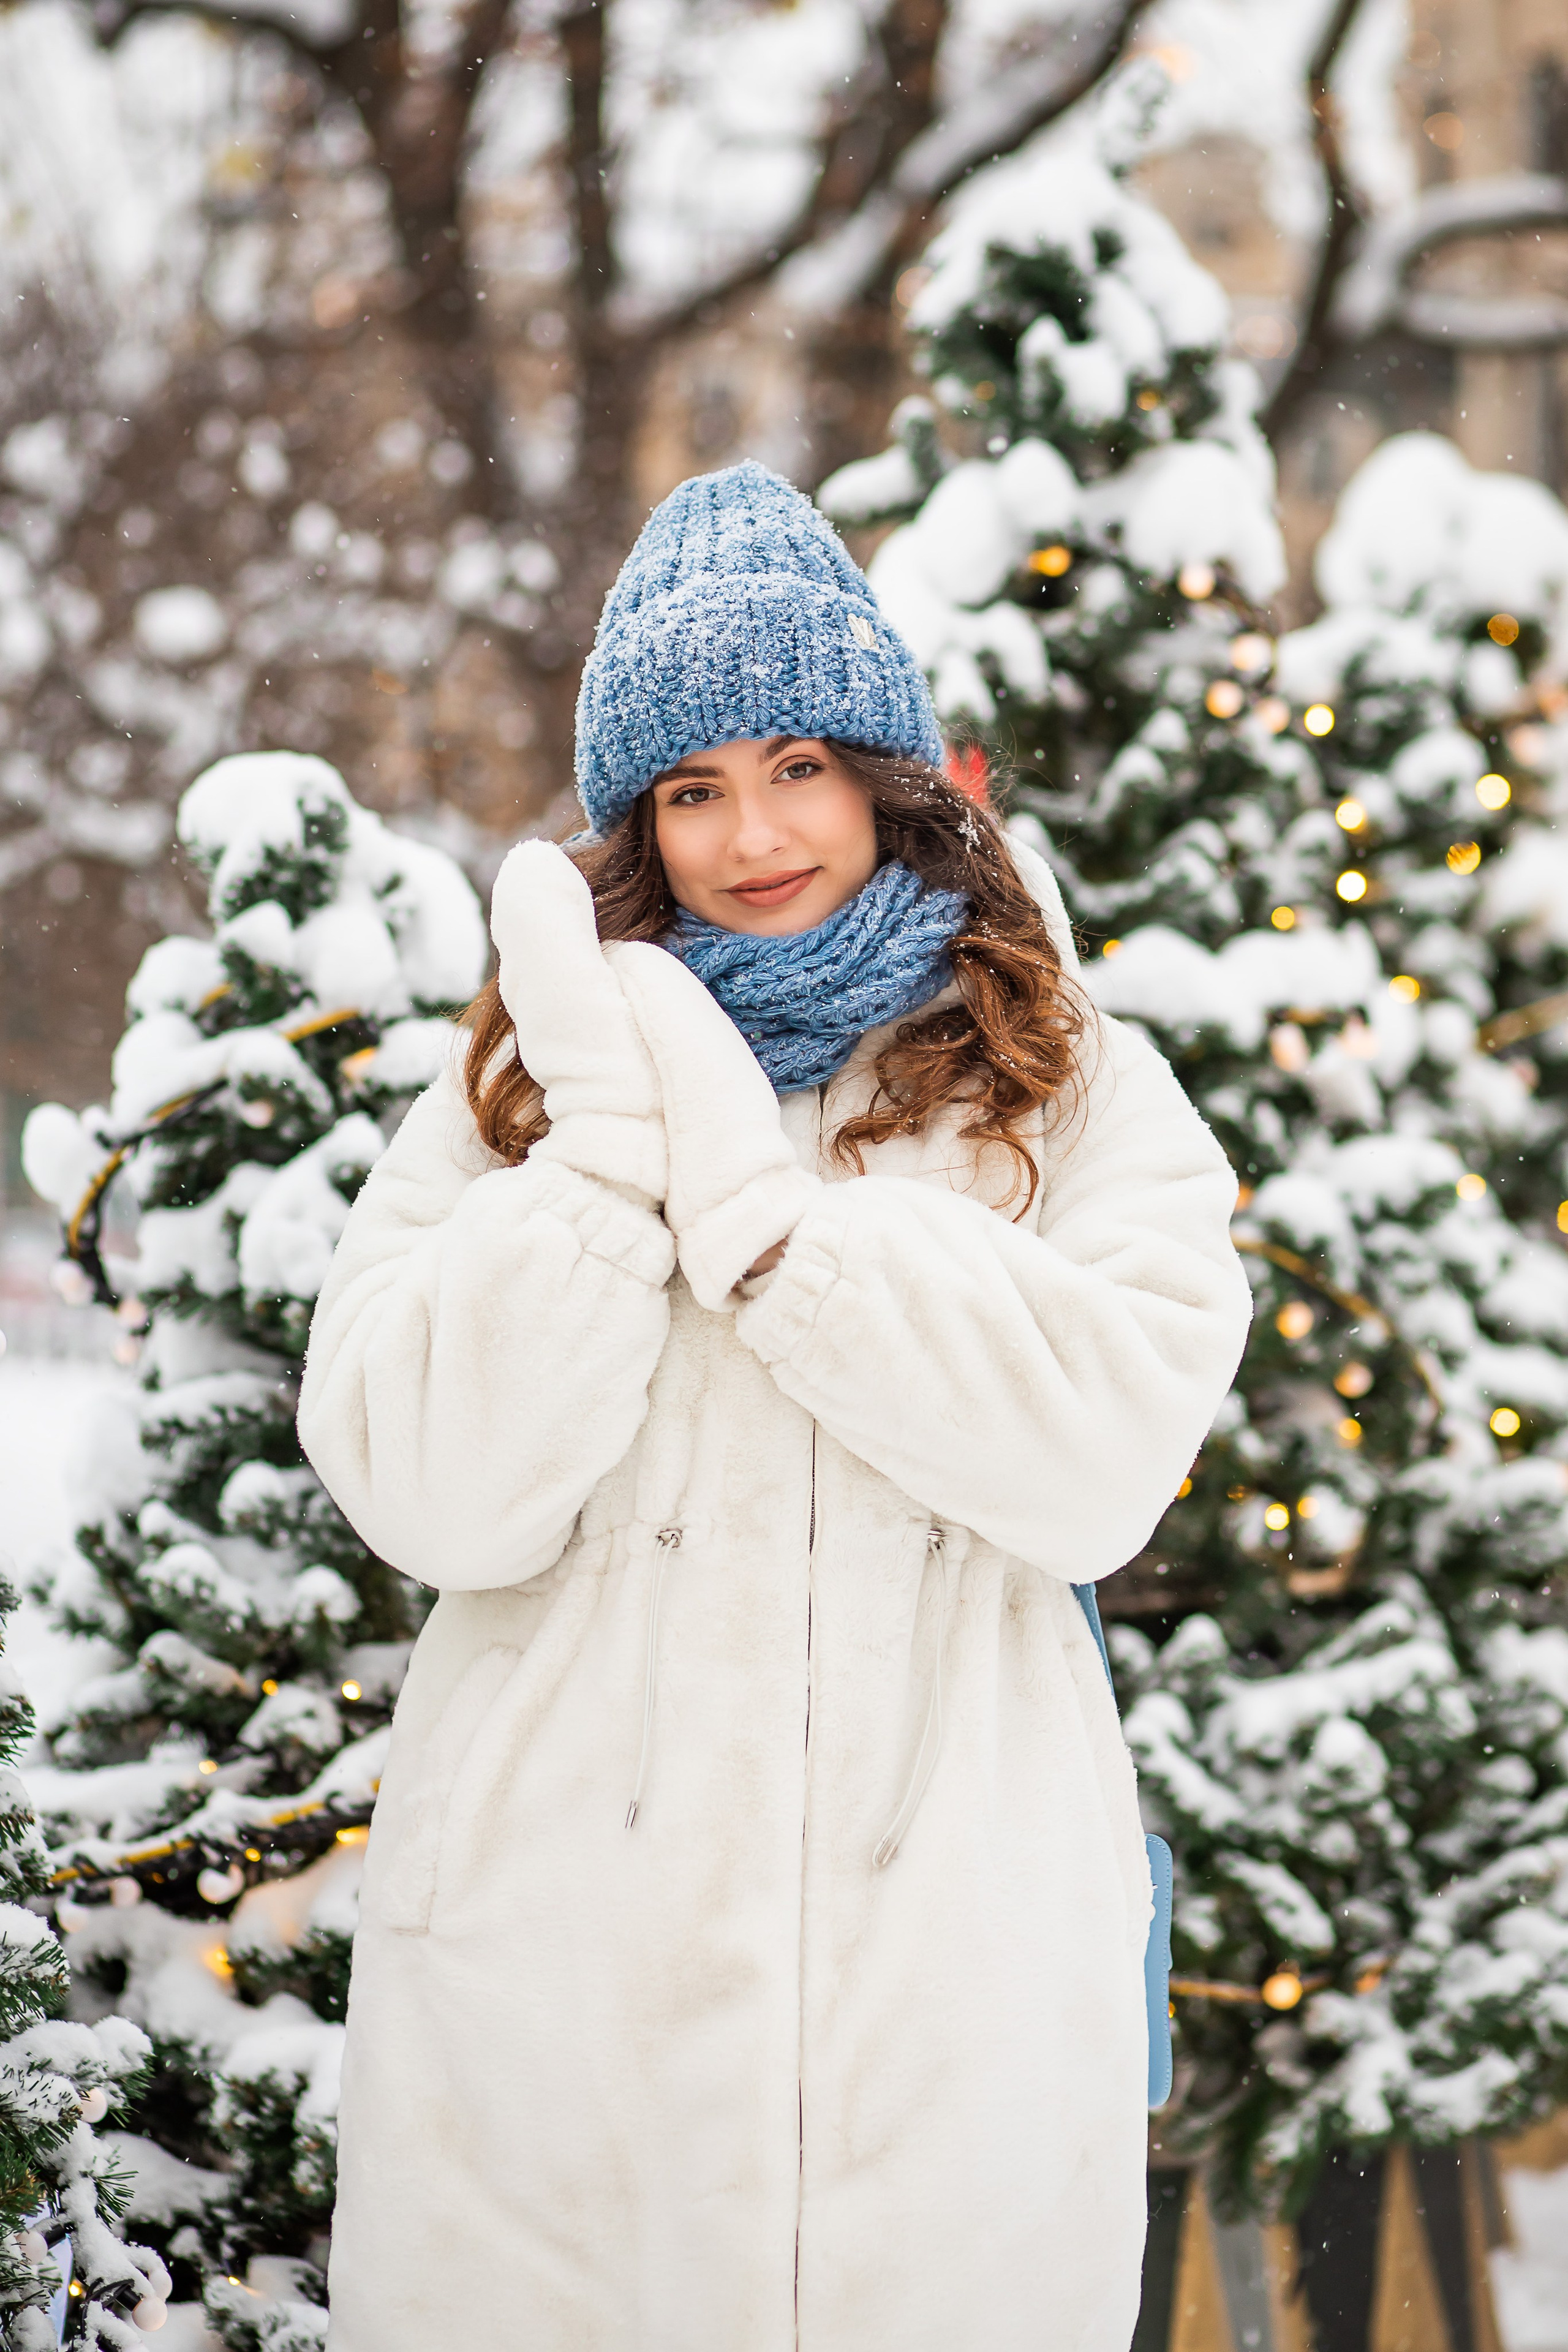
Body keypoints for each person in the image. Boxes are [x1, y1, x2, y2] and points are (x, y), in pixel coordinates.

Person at [298, 461, 1252, 2351]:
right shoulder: (517, 1087)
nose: (754, 835)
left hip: (947, 1970)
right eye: (692, 788)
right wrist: (602, 1178)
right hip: (561, 1964)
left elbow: (1105, 1462)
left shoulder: (1058, 1070)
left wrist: (776, 1242)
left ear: (881, 773)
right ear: (638, 823)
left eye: (795, 763)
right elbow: (423, 1486)